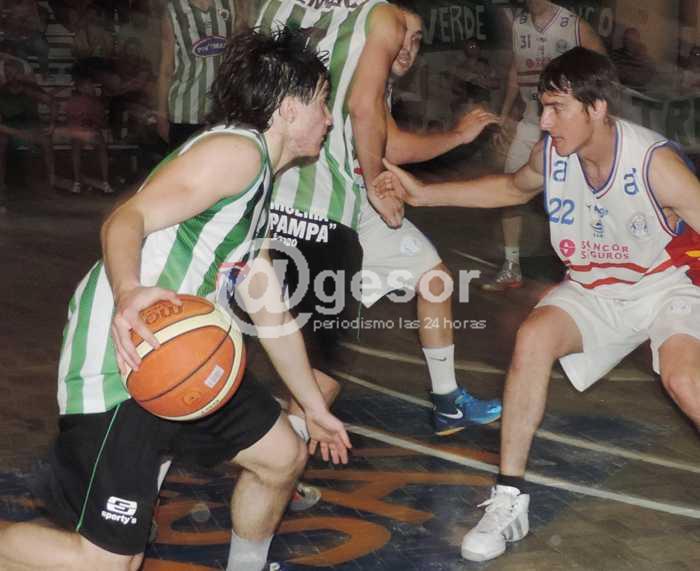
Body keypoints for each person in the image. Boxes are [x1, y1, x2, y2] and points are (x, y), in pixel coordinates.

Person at [0, 27, 350, 571]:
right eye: (323, 102)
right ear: (288, 109)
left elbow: (267, 302)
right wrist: (129, 292)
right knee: (107, 564)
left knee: (282, 457)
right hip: (125, 360)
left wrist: (313, 406)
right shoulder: (237, 152)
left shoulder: (259, 180)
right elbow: (127, 218)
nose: (329, 118)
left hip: (183, 355)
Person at [379, 46, 700, 562]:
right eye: (543, 107)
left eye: (557, 109)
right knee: (532, 338)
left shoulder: (653, 164)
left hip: (663, 287)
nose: (545, 121)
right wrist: (425, 194)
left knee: (685, 380)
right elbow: (511, 189)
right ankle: (509, 500)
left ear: (597, 108)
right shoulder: (552, 154)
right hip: (594, 289)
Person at [259, 0, 501, 453]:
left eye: (417, 41)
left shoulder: (359, 72)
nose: (407, 47)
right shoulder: (356, 68)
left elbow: (390, 142)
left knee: (434, 279)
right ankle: (280, 460)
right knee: (321, 369)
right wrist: (450, 140)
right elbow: (375, 127)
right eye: (402, 36)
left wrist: (448, 141)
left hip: (349, 208)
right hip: (321, 213)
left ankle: (447, 399)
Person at [482, 0, 605, 291]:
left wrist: (590, 118)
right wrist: (505, 114)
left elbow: (603, 71)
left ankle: (583, 268)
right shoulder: (519, 25)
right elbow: (515, 72)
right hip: (530, 121)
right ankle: (512, 265)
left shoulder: (574, 25)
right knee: (510, 189)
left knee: (574, 197)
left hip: (567, 126)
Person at [157, 0, 247, 149]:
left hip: (222, 111)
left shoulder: (231, 5)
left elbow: (241, 56)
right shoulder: (174, 12)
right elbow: (166, 68)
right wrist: (161, 114)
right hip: (184, 114)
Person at [0, 57, 56, 206]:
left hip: (32, 125)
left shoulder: (31, 89)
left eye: (13, 72)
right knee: (1, 143)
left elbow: (51, 102)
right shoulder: (2, 91)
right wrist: (17, 133)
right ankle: (1, 185)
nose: (10, 76)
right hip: (11, 127)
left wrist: (52, 124)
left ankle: (51, 183)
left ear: (20, 72)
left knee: (46, 142)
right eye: (7, 72)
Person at [56, 73, 113, 195]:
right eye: (88, 85)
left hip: (92, 131)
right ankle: (77, 182)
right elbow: (69, 119)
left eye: (91, 85)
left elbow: (102, 120)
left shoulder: (95, 102)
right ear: (80, 88)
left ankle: (105, 182)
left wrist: (93, 124)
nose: (91, 87)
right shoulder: (73, 101)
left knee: (101, 146)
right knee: (76, 144)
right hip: (77, 131)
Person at [610, 26, 656, 93]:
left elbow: (644, 81)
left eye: (631, 41)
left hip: (637, 94)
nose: (627, 43)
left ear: (637, 41)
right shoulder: (615, 55)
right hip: (616, 90)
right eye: (625, 39)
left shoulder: (647, 62)